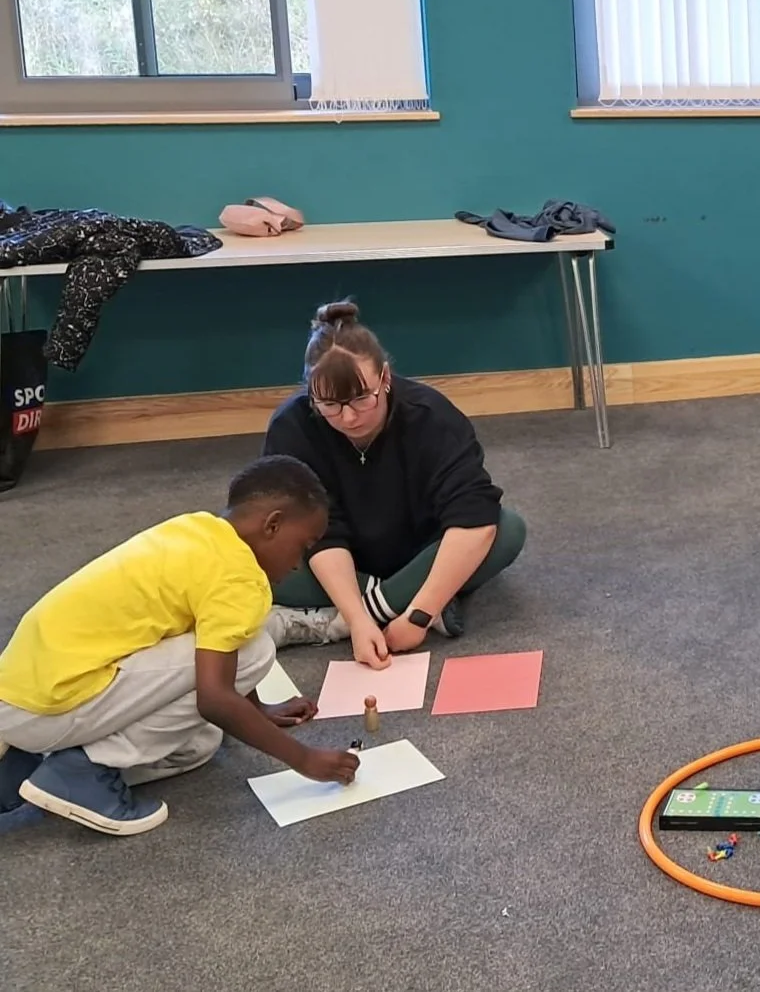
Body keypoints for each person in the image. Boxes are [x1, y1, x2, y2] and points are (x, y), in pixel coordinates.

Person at [0, 456, 358, 837]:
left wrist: (257, 710)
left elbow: (213, 637)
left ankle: (31, 767)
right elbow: (215, 698)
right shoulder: (239, 578)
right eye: (302, 546)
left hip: (23, 692)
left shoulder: (198, 530)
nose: (299, 564)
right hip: (50, 704)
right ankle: (83, 769)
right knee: (257, 653)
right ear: (272, 525)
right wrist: (304, 759)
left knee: (199, 744)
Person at [261, 301, 528, 669]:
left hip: (419, 552)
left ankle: (344, 618)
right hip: (342, 563)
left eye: (361, 399)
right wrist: (358, 621)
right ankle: (404, 599)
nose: (348, 417)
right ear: (310, 393)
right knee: (250, 563)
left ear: (385, 378)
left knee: (506, 531)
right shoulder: (291, 427)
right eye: (329, 405)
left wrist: (418, 615)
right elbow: (320, 532)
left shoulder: (431, 417)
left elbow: (473, 515)